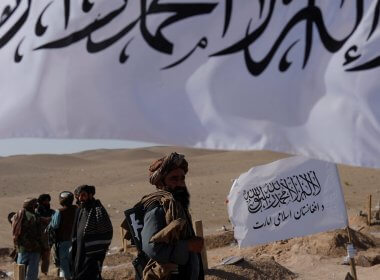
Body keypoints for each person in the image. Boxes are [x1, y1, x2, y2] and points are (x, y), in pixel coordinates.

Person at [141, 152, 204, 280]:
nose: (180, 183)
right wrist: (188, 246)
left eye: (182, 178)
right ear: (160, 183)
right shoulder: (158, 208)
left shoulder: (176, 205)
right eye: (174, 179)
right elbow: (151, 248)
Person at [71, 185, 113, 280]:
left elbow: (107, 231)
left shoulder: (98, 210)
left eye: (83, 195)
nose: (80, 198)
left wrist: (96, 248)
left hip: (92, 254)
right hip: (79, 252)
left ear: (90, 195)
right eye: (78, 196)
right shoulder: (80, 210)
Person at [12, 198, 44, 280]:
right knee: (32, 274)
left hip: (22, 248)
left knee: (20, 272)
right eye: (35, 205)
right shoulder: (35, 216)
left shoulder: (17, 215)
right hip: (33, 248)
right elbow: (40, 233)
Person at [49, 191, 77, 279]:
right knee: (74, 261)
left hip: (63, 241)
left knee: (64, 262)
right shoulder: (77, 209)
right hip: (76, 240)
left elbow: (54, 225)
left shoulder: (59, 212)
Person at [36, 193, 55, 275]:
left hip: (48, 238)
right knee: (36, 258)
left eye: (48, 200)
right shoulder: (36, 212)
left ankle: (44, 274)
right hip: (38, 238)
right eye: (45, 200)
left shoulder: (51, 211)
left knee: (46, 257)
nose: (47, 202)